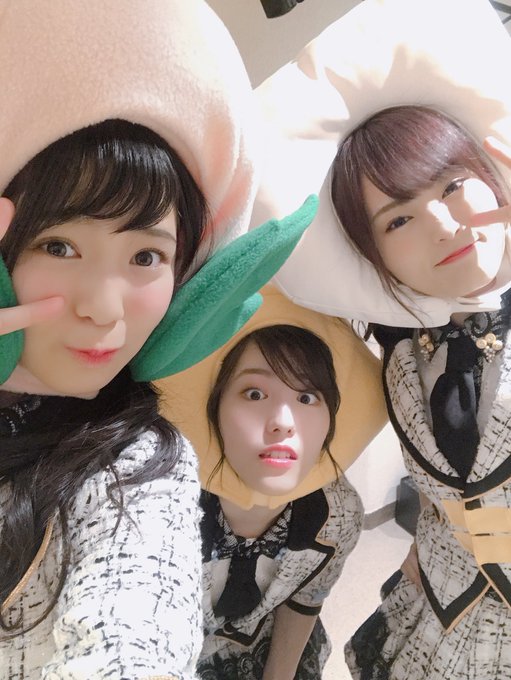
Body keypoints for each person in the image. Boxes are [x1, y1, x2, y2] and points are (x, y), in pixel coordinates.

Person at [0, 2, 316, 677]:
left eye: (146, 256)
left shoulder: (140, 470)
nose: (103, 309)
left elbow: (133, 640)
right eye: (58, 245)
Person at [331, 104, 511, 680]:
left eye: (453, 186)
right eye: (398, 220)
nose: (442, 223)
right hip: (437, 603)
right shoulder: (399, 354)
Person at [158, 286, 388, 680]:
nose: (283, 422)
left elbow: (306, 599)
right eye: (254, 393)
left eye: (307, 398)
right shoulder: (155, 507)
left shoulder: (339, 514)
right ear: (214, 408)